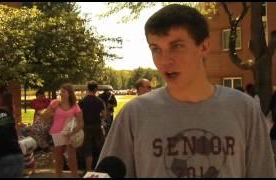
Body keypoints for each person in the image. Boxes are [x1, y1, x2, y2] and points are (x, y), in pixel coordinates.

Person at [97, 4, 276, 178]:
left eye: (177, 46)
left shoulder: (244, 110)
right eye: (156, 49)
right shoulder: (133, 115)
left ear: (204, 47)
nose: (165, 60)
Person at [40, 83, 83, 177]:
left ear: (69, 93)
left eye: (63, 91)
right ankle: (59, 175)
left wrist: (72, 132)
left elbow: (81, 123)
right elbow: (44, 116)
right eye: (60, 91)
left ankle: (75, 175)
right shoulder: (54, 103)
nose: (61, 93)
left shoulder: (75, 106)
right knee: (58, 157)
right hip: (56, 133)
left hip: (70, 134)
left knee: (72, 158)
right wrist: (50, 109)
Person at [79, 81, 107, 171]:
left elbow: (79, 114)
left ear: (88, 89)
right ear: (96, 89)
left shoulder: (82, 101)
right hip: (97, 127)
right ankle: (100, 168)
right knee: (100, 148)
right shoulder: (99, 101)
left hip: (86, 128)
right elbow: (104, 114)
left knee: (88, 149)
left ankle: (88, 170)